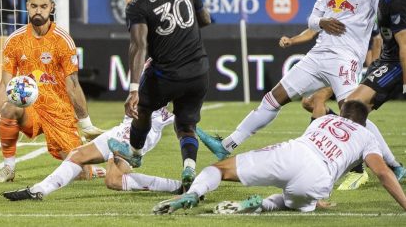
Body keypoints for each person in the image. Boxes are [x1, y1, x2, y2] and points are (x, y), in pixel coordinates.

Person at [196, 0, 404, 188]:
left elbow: (389, 7)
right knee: (273, 98)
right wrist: (322, 22)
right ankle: (227, 145)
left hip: (345, 59)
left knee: (353, 113)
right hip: (317, 54)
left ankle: (394, 165)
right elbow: (312, 19)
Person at [152, 101, 406, 215]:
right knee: (291, 202)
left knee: (220, 169)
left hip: (294, 152)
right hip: (318, 180)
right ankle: (260, 206)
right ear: (363, 122)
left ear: (341, 112)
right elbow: (383, 173)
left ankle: (193, 193)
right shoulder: (366, 136)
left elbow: (314, 106)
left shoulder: (327, 119)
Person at [0, 0, 105, 182]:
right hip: (30, 108)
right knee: (10, 107)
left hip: (58, 111)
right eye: (34, 6)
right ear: (27, 6)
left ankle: (89, 169)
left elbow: (73, 85)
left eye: (43, 6)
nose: (38, 11)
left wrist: (86, 124)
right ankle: (8, 169)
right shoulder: (15, 40)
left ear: (51, 8)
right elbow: (5, 83)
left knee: (80, 174)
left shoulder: (62, 41)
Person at [107, 0, 211, 191]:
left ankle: (135, 152)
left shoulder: (138, 4)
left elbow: (138, 46)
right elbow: (205, 19)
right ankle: (189, 168)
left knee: (143, 109)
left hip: (167, 74)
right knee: (186, 126)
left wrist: (133, 90)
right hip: (199, 71)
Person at [0, 107, 185, 201]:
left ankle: (178, 187)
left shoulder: (167, 68)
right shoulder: (147, 62)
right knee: (77, 155)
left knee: (114, 180)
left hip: (140, 129)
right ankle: (39, 190)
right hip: (125, 127)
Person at [336, 0, 406, 188]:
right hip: (385, 62)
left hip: (396, 65)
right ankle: (391, 166)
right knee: (351, 108)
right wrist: (374, 63)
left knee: (352, 107)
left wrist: (405, 83)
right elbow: (380, 38)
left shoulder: (397, 0)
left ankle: (359, 169)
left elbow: (404, 46)